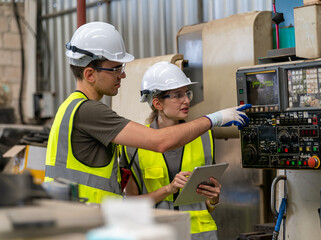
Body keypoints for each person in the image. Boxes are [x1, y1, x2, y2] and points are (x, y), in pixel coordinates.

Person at [45, 21, 251, 204]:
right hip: (85, 221)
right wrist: (215, 118)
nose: (123, 75)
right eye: (116, 69)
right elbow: (159, 142)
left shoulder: (70, 107)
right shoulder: (89, 111)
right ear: (90, 74)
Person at [120, 61, 228, 239]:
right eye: (178, 95)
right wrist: (169, 189)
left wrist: (214, 199)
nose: (186, 100)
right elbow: (132, 204)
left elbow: (207, 204)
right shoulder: (134, 145)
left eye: (187, 93)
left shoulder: (204, 137)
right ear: (157, 103)